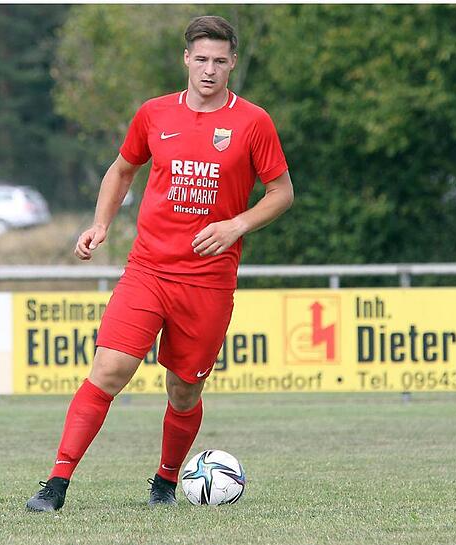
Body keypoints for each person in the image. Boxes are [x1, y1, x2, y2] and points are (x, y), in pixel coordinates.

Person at [26, 15, 294, 512]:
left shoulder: (253, 122)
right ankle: (56, 484)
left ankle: (165, 482)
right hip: (147, 269)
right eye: (201, 59)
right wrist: (100, 224)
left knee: (185, 391)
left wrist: (236, 225)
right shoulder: (154, 114)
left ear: (232, 62)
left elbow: (281, 192)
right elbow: (123, 168)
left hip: (209, 282)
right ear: (185, 59)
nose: (209, 69)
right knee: (110, 369)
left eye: (219, 60)